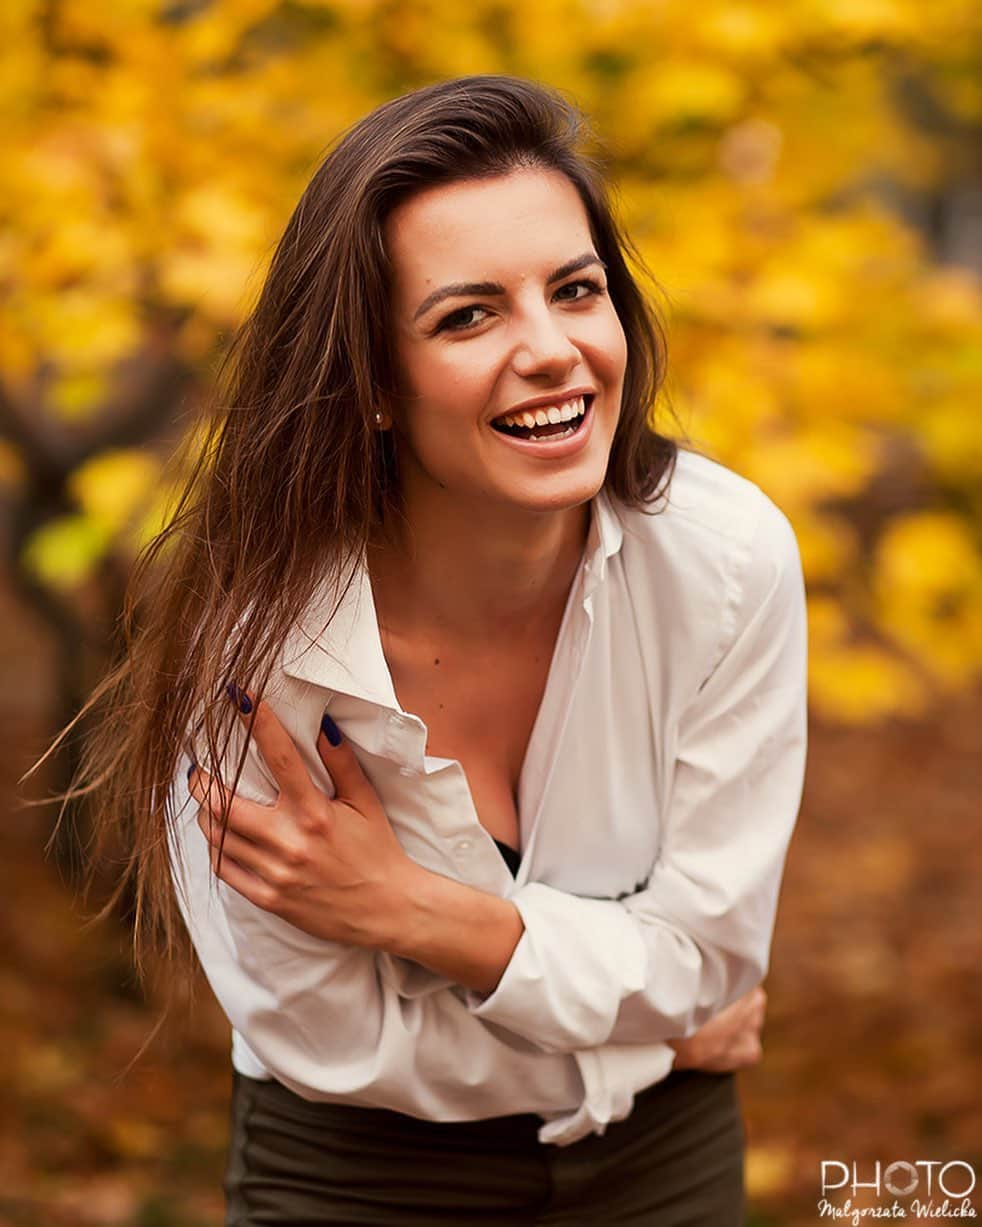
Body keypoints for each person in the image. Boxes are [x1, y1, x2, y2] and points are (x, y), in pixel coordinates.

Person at [53, 75, 807, 1224]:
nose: (551, 350)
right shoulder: (259, 656)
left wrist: (415, 912)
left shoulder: (724, 560)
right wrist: (635, 1029)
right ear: (372, 388)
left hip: (668, 1166)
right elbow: (335, 1041)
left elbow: (708, 958)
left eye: (575, 290)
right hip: (359, 1178)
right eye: (468, 316)